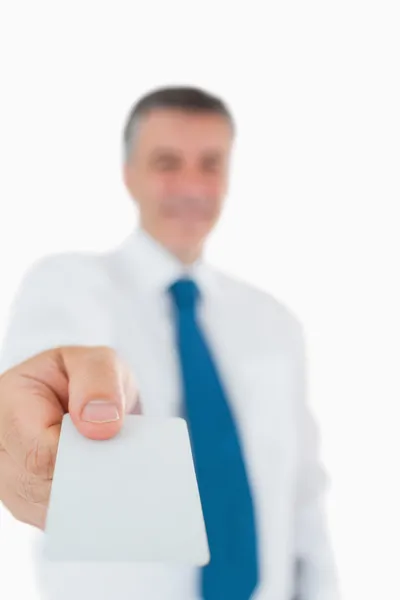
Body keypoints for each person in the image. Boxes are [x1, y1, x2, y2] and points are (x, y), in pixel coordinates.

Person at [0, 86, 340, 600]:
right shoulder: (68, 284)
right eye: (167, 162)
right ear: (128, 173)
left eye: (210, 163)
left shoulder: (275, 324)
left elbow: (303, 497)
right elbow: (38, 370)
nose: (191, 185)